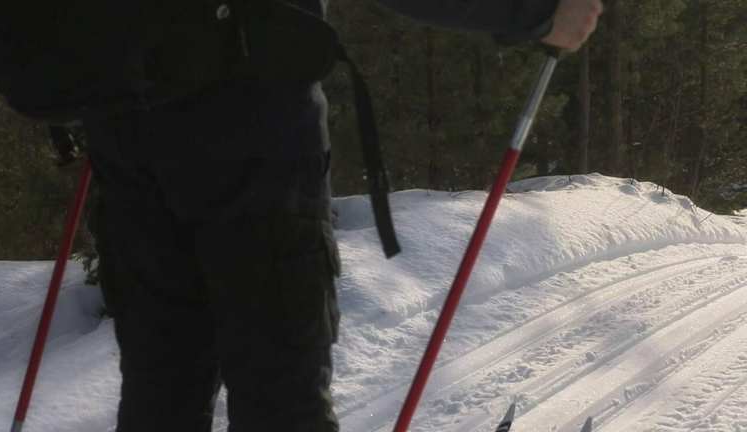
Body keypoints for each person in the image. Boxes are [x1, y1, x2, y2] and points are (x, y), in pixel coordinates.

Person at [86, 0, 603, 431]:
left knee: (160, 390)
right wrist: (537, 12)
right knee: (279, 400)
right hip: (251, 133)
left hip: (125, 129)